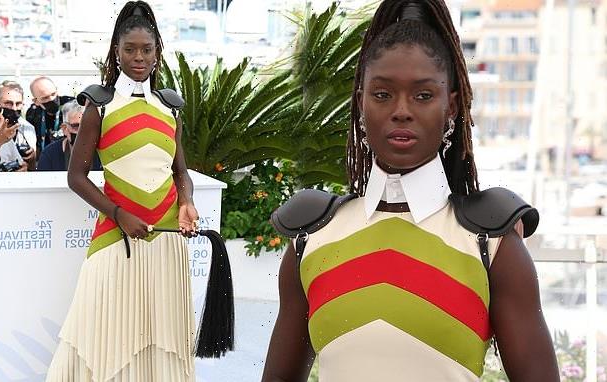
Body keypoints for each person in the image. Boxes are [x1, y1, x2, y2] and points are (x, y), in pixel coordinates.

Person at [262, 1, 560, 381]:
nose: (401, 111)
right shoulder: (310, 237)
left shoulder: (490, 243)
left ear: (451, 106)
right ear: (360, 102)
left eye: (422, 96)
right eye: (383, 94)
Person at [45, 2, 233, 380]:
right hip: (116, 236)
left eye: (146, 49)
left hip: (166, 239)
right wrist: (117, 214)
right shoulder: (99, 103)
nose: (138, 57)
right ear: (116, 50)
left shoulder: (170, 106)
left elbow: (180, 171)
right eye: (129, 49)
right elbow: (76, 177)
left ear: (157, 51)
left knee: (163, 332)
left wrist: (187, 202)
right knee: (98, 328)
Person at [37, 100, 102, 171]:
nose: (84, 131)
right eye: (77, 126)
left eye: (89, 125)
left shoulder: (104, 151)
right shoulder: (50, 155)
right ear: (65, 128)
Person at [0, 80, 37, 170]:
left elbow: (32, 169)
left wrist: (32, 158)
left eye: (18, 104)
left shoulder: (28, 128)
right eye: (8, 103)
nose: (14, 108)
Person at [26, 76, 74, 153]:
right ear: (36, 101)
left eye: (53, 94)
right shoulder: (32, 113)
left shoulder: (71, 105)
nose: (51, 99)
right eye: (45, 98)